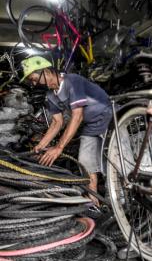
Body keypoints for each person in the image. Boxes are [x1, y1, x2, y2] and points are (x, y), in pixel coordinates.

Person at [21, 56, 112, 205]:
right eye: (31, 81)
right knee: (85, 161)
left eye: (34, 78)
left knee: (114, 160)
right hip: (92, 125)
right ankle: (94, 199)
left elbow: (77, 116)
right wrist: (39, 147)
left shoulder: (72, 81)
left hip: (110, 117)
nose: (33, 84)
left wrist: (58, 148)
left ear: (46, 71)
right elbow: (57, 122)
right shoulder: (50, 95)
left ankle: (122, 198)